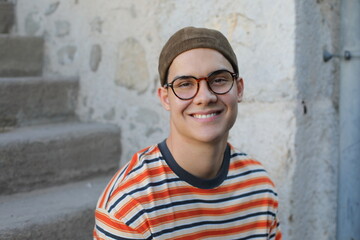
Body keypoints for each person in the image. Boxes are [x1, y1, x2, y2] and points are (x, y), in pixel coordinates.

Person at [94, 26, 282, 240]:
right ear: (165, 98)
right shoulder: (130, 206)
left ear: (239, 89)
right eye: (185, 84)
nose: (205, 97)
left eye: (219, 79)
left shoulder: (259, 185)